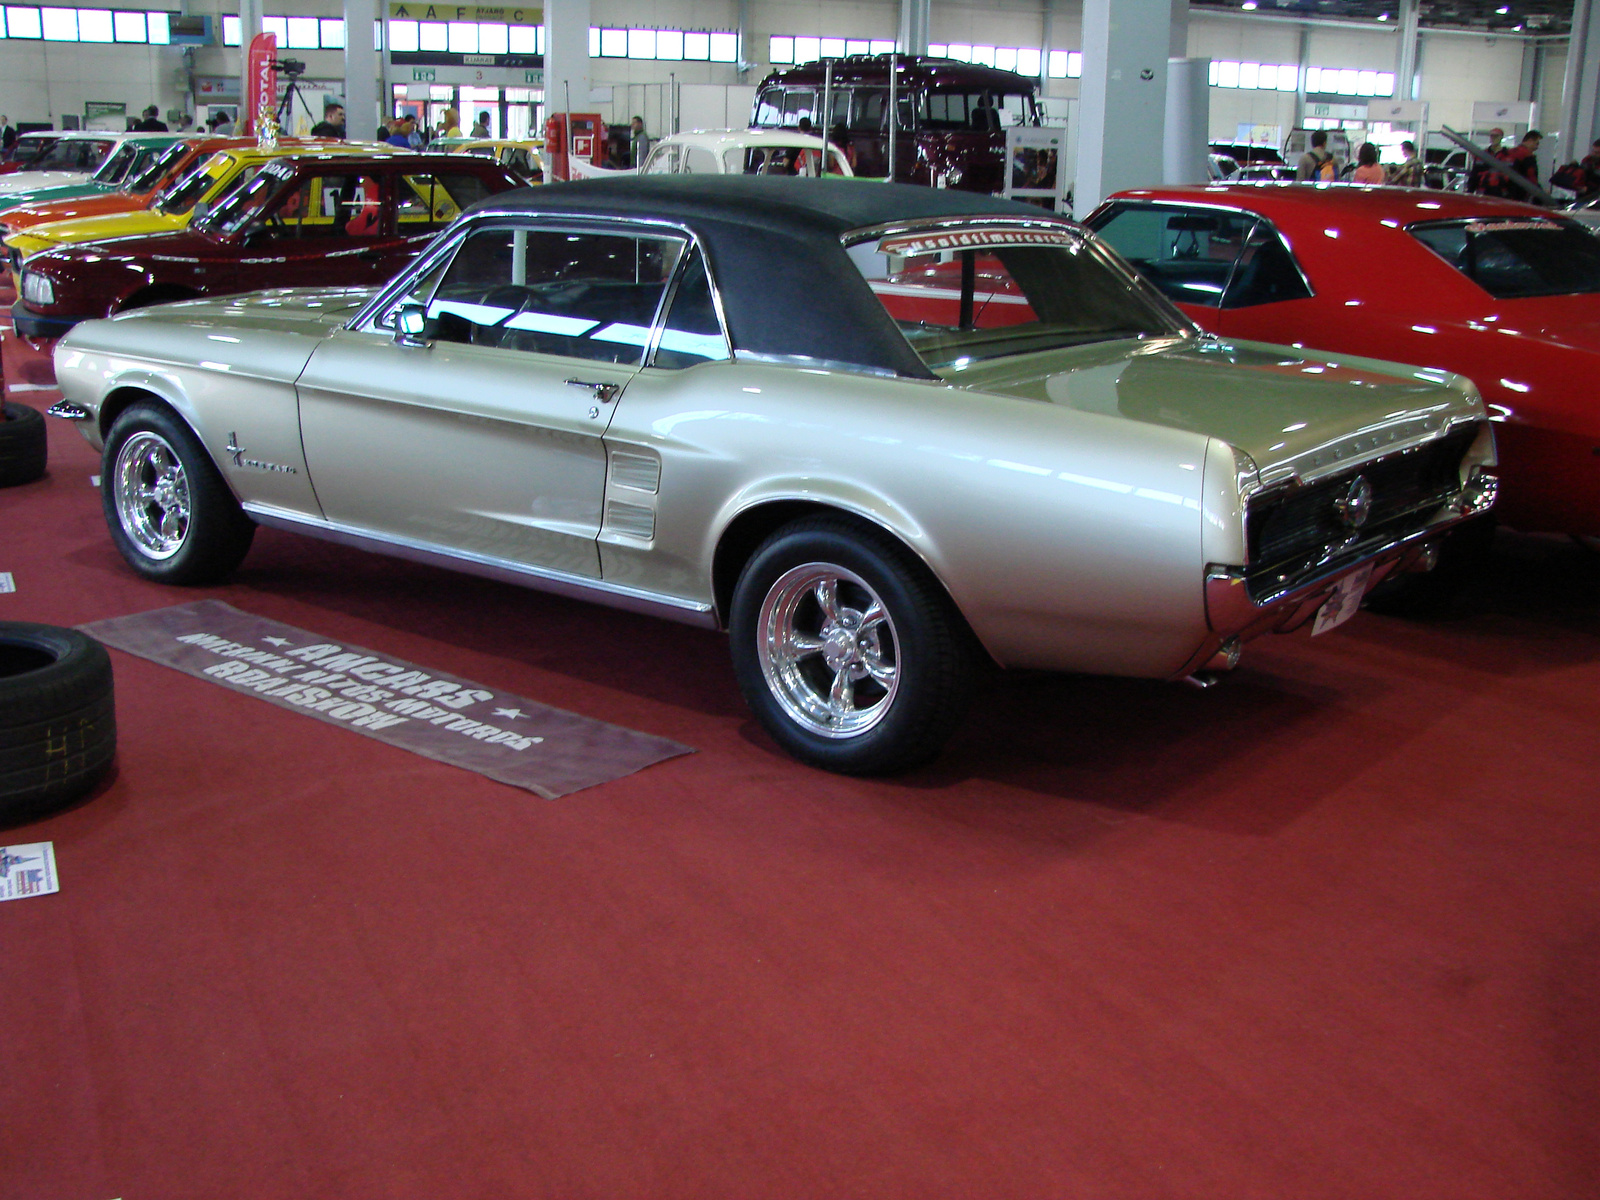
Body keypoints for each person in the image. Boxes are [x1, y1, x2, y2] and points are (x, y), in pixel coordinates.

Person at [1468, 127, 1509, 195]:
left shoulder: (1507, 155)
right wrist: (1470, 191)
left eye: (1496, 136)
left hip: (1501, 192)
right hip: (1483, 191)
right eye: (1492, 136)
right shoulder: (1482, 155)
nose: (1493, 138)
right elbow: (1474, 174)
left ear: (1501, 137)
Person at [1504, 129, 1542, 199]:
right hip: (1519, 191)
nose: (1537, 147)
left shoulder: (1509, 152)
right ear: (1530, 141)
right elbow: (1531, 176)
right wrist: (1539, 191)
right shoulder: (1527, 155)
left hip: (1504, 190)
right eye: (1536, 143)